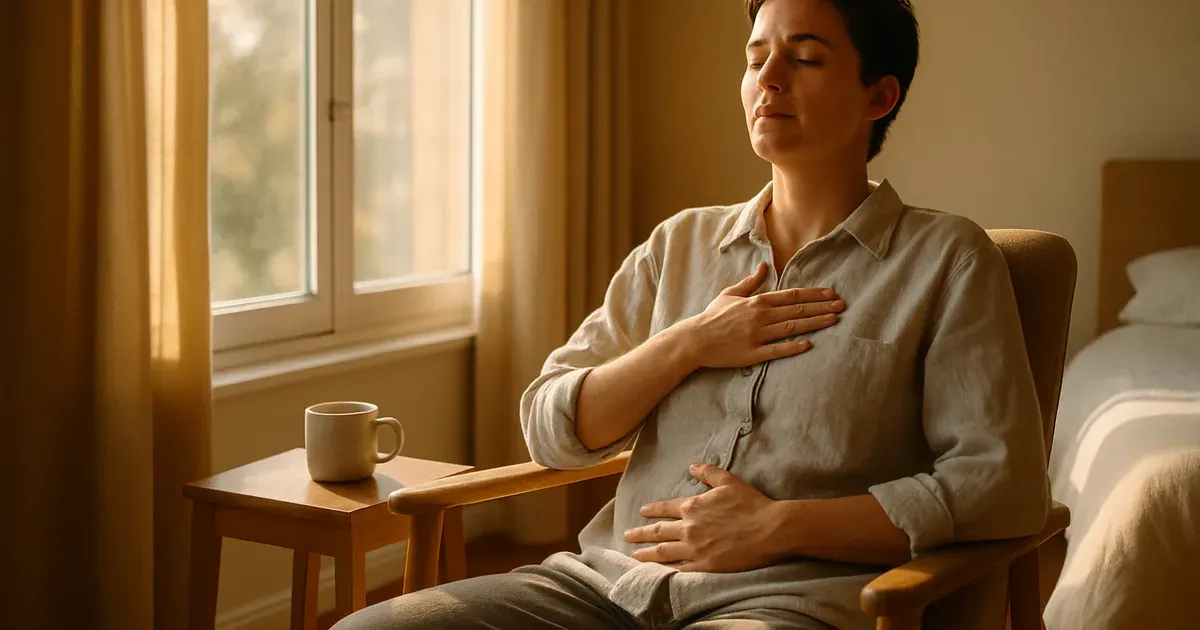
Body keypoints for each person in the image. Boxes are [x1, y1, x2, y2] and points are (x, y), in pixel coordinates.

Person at [335, 0, 1050, 628]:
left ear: (878, 96)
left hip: (782, 604)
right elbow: (549, 425)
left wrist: (777, 528)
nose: (768, 79)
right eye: (755, 57)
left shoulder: (945, 260)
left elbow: (1000, 484)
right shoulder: (680, 245)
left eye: (803, 57)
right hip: (599, 589)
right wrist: (688, 343)